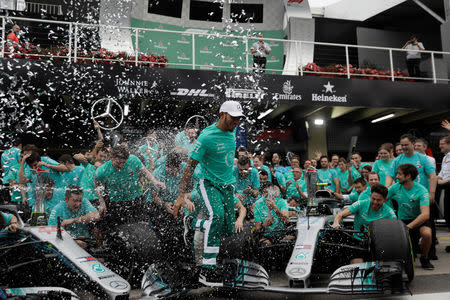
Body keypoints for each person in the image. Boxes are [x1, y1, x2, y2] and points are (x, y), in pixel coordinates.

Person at [172, 100, 244, 285]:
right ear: (222, 115)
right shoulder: (205, 137)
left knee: (227, 229)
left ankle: (192, 222)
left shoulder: (233, 129)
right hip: (208, 183)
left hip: (227, 186)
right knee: (216, 217)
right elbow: (189, 167)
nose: (236, 123)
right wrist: (181, 194)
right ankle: (208, 268)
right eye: (233, 119)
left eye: (238, 119)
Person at [94, 145, 165, 226]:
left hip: (136, 198)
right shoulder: (102, 170)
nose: (121, 165)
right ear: (111, 157)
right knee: (120, 229)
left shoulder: (133, 160)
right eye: (118, 162)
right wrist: (102, 202)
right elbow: (96, 185)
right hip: (116, 202)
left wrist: (154, 181)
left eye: (124, 162)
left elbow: (145, 172)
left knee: (141, 226)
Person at [332, 184, 396, 264]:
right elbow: (340, 214)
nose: (375, 202)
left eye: (379, 200)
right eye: (373, 199)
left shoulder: (389, 212)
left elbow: (395, 231)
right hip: (358, 241)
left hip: (378, 244)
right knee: (358, 267)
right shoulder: (361, 204)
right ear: (370, 196)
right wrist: (336, 222)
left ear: (385, 200)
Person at [386, 164, 433, 269]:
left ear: (408, 176)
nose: (397, 176)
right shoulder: (395, 187)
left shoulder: (421, 190)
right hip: (402, 219)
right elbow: (382, 198)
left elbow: (425, 215)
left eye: (399, 174)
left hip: (418, 219)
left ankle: (424, 258)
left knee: (427, 234)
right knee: (406, 255)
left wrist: (408, 227)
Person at [254, 182, 290, 246]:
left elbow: (286, 220)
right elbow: (258, 229)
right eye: (265, 192)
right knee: (264, 244)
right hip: (266, 236)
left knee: (290, 241)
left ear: (273, 191)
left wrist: (275, 208)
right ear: (262, 193)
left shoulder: (281, 202)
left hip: (281, 234)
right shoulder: (258, 206)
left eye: (270, 191)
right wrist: (264, 226)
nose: (268, 194)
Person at [436, 136, 450, 231]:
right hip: (447, 188)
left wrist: (443, 181)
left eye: (442, 144)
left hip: (447, 185)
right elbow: (441, 174)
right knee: (447, 216)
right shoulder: (445, 157)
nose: (440, 146)